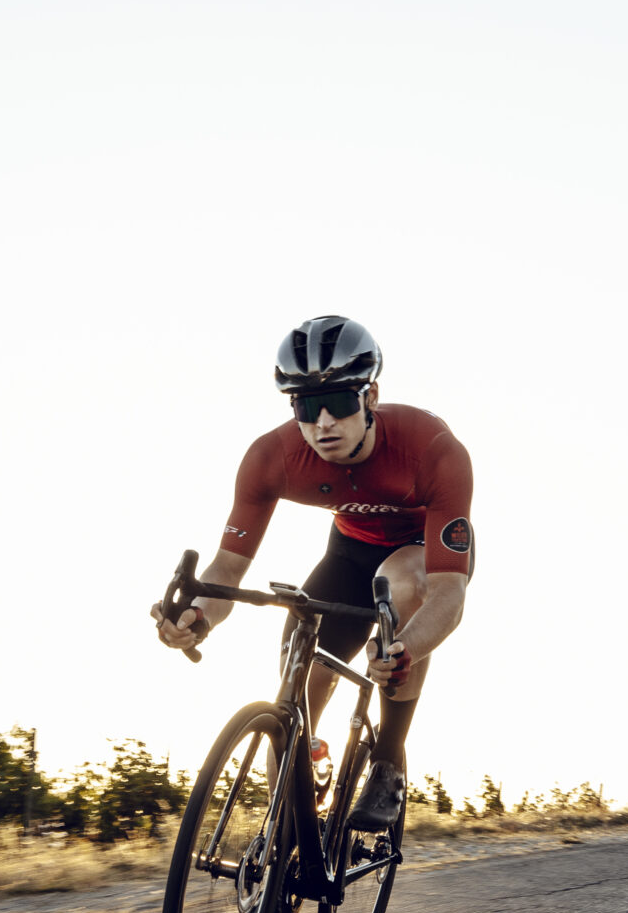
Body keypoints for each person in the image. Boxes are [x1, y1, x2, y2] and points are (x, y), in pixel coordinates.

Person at [153, 316, 473, 830]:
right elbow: (227, 568)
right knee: (296, 690)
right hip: (348, 554)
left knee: (400, 584)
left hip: (419, 553)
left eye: (340, 403)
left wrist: (404, 651)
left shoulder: (433, 450)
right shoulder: (271, 457)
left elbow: (448, 594)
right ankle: (286, 842)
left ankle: (388, 759)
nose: (323, 423)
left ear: (371, 397)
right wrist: (197, 616)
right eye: (305, 406)